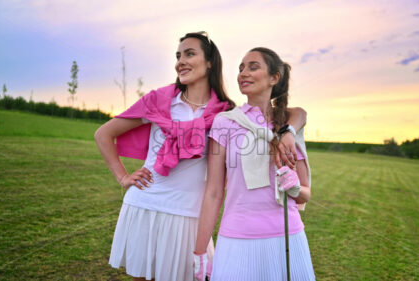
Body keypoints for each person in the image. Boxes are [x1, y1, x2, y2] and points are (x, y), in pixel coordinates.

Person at [95, 32, 307, 281]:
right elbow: (103, 134)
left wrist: (289, 131)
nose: (180, 61)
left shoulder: (225, 112)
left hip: (189, 215)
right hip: (147, 205)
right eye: (178, 56)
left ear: (209, 62)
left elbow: (293, 112)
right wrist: (123, 178)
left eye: (189, 53)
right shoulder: (159, 100)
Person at [193, 47, 315, 281]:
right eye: (240, 68)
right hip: (237, 237)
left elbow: (305, 195)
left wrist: (295, 188)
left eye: (253, 67)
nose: (243, 73)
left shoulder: (290, 124)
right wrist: (200, 252)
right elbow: (214, 192)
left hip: (287, 236)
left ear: (274, 78)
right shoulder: (225, 122)